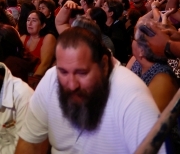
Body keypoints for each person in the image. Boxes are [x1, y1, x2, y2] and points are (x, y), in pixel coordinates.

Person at [15, 27, 166, 154]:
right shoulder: (51, 79)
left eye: (82, 73)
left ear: (104, 65)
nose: (72, 84)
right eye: (63, 72)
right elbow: (30, 142)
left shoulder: (132, 96)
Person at [127, 26, 178, 112]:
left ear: (141, 50)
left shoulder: (162, 79)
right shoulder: (137, 61)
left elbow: (148, 119)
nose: (132, 41)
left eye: (134, 38)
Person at [20, 10, 56, 86]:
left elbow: (44, 64)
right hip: (23, 79)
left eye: (34, 21)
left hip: (40, 79)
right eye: (28, 20)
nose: (29, 23)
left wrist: (32, 83)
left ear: (42, 25)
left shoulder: (48, 38)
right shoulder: (23, 38)